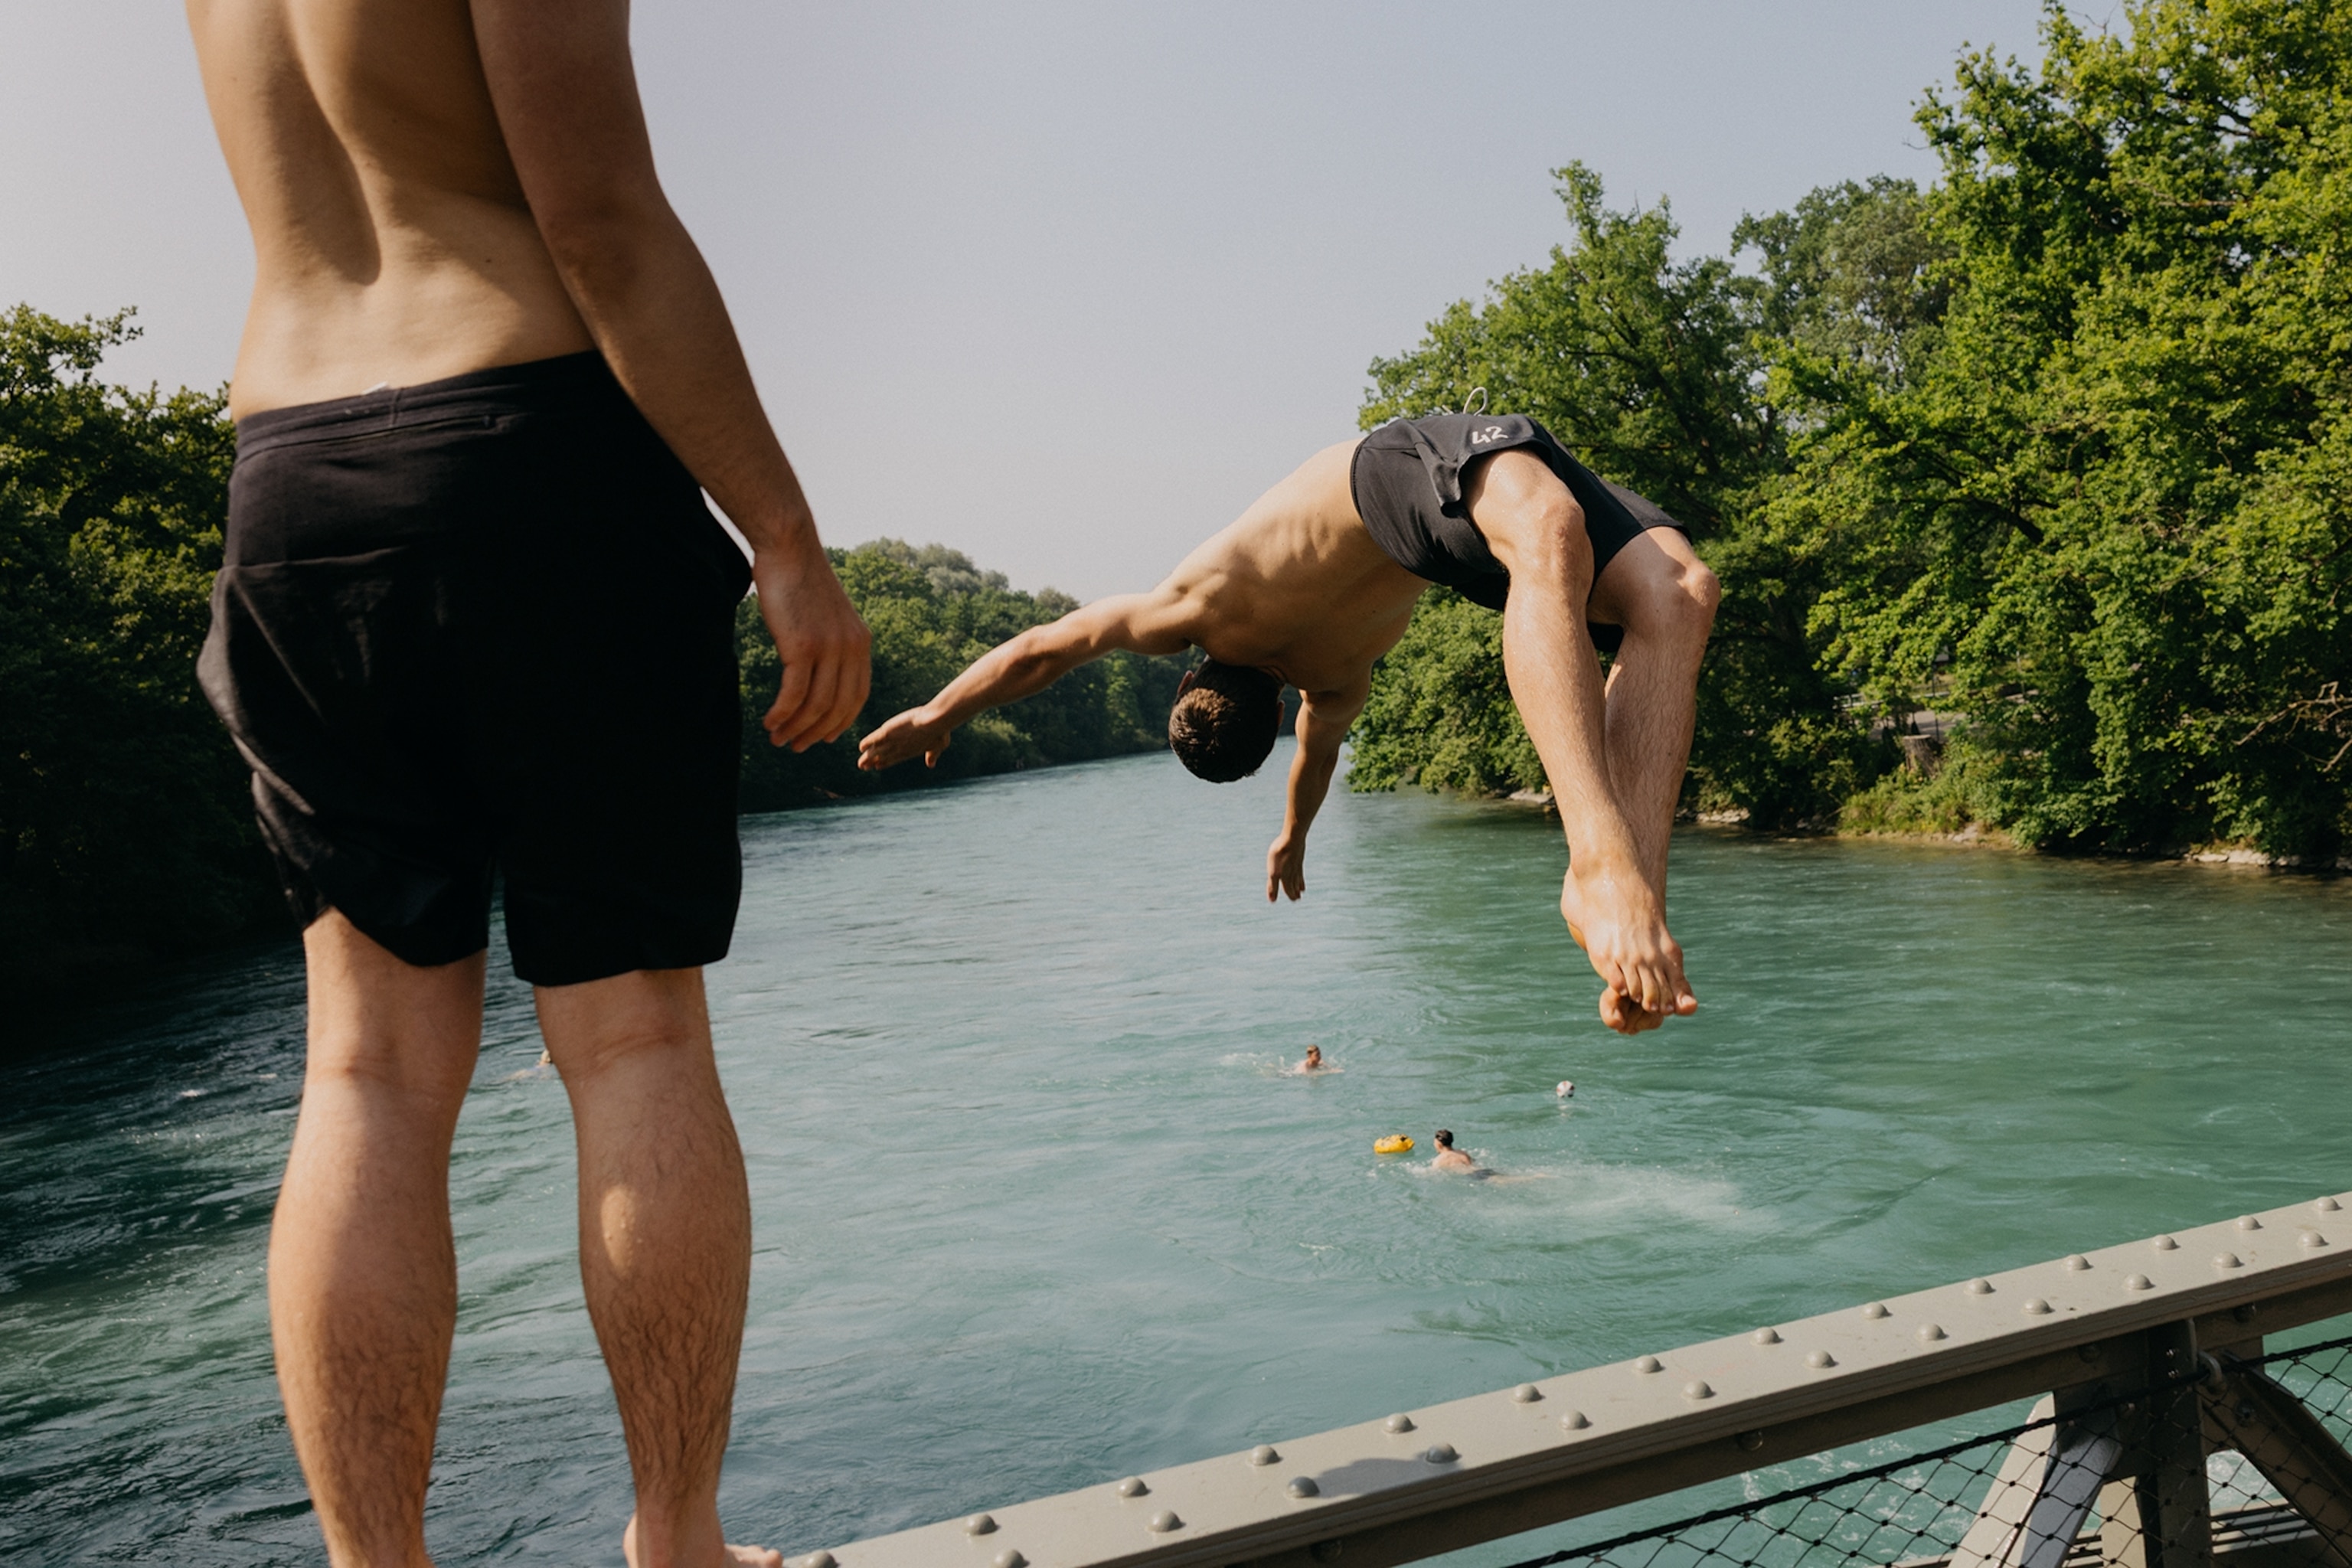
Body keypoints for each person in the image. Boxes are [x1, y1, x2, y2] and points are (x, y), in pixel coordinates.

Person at [184, 4, 871, 1565]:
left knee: (361, 1072)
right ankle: (678, 1541)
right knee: (630, 1037)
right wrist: (781, 530)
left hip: (289, 476)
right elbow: (601, 218)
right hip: (526, 440)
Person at [857, 410, 1719, 1035]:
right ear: (1193, 674)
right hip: (1405, 491)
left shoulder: (1334, 689)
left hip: (1404, 509)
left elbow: (1315, 760)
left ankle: (1611, 874)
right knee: (1621, 566)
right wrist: (941, 710)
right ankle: (1615, 871)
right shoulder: (1193, 611)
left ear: (1272, 711)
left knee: (1674, 592)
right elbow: (1048, 648)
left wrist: (1294, 835)